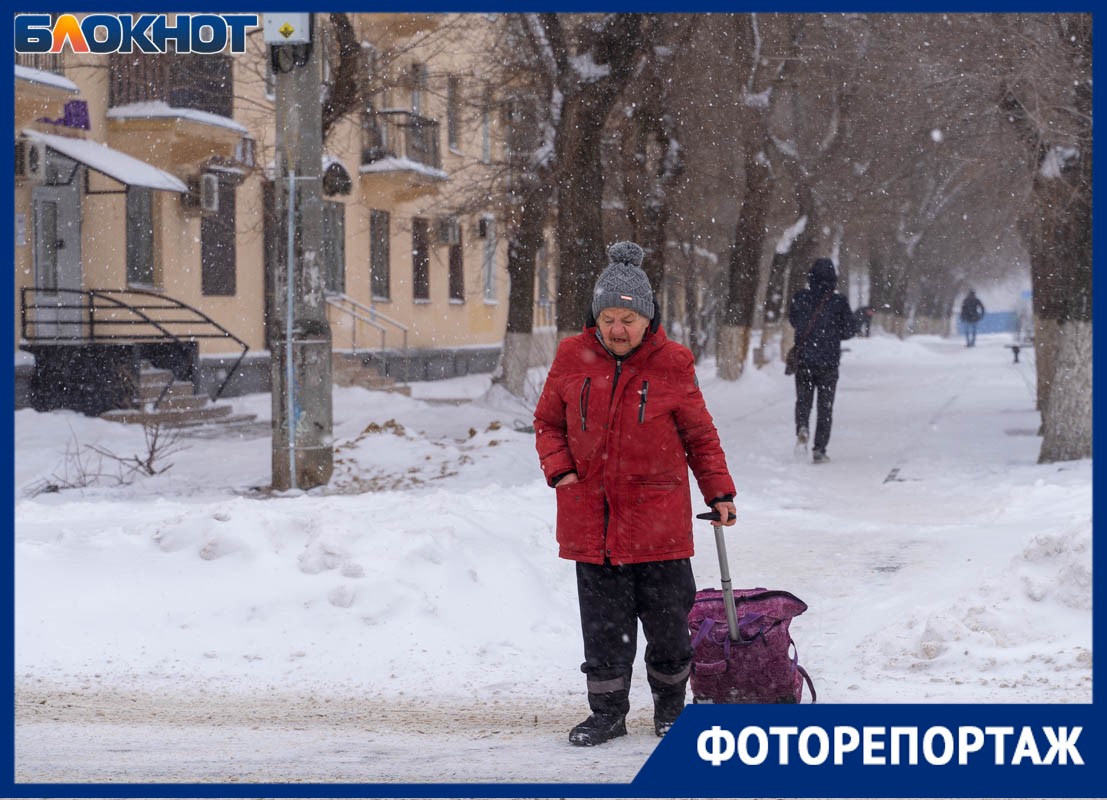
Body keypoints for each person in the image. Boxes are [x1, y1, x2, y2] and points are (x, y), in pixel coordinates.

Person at [533, 241, 737, 747]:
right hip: (592, 523)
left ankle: (671, 712)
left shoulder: (673, 363)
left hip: (659, 526)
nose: (617, 329)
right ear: (595, 318)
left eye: (627, 318)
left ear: (648, 319)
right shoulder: (570, 356)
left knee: (670, 631)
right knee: (603, 633)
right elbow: (547, 424)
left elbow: (699, 436)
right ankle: (607, 715)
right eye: (607, 318)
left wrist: (720, 492)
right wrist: (561, 472)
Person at [788, 258, 856, 464]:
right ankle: (820, 449)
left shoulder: (800, 298)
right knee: (825, 407)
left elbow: (793, 321)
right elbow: (849, 330)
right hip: (828, 363)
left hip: (805, 361)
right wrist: (832, 334)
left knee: (803, 401)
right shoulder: (838, 302)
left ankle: (802, 427)